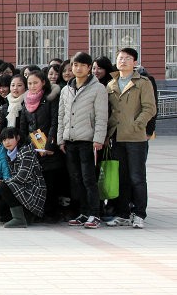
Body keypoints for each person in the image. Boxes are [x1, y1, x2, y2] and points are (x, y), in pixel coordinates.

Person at [106, 47, 157, 229]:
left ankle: (139, 214)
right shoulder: (111, 84)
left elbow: (150, 108)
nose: (123, 61)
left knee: (137, 177)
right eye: (120, 58)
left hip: (136, 137)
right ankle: (122, 213)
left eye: (128, 58)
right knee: (122, 177)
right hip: (117, 137)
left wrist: (138, 125)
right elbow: (110, 111)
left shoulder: (143, 82)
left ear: (134, 62)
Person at [57, 52, 108, 228]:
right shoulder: (66, 89)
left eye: (81, 65)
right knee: (76, 179)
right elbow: (61, 116)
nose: (77, 68)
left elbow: (102, 116)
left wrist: (98, 139)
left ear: (88, 68)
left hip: (88, 141)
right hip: (70, 141)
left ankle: (95, 213)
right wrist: (60, 139)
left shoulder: (98, 88)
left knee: (89, 179)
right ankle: (83, 212)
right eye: (75, 65)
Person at [20, 70, 65, 222]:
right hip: (34, 146)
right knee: (37, 181)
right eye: (30, 83)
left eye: (35, 83)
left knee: (50, 181)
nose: (32, 86)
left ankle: (52, 212)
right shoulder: (25, 101)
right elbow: (24, 126)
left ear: (43, 83)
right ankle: (39, 211)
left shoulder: (50, 99)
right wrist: (28, 143)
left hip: (49, 146)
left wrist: (50, 144)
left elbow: (54, 122)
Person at [0, 127, 47, 228]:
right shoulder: (8, 154)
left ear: (18, 138)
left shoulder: (26, 152)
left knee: (2, 185)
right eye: (4, 140)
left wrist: (3, 182)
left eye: (10, 138)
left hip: (32, 190)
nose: (7, 142)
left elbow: (22, 178)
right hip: (20, 189)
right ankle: (24, 216)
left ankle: (20, 219)